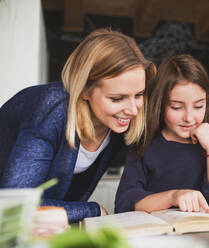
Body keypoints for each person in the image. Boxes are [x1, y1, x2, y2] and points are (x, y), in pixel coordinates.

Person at [0, 29, 156, 223]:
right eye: (117, 98)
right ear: (84, 89)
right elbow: (13, 209)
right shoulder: (50, 110)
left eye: (139, 94)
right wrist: (93, 210)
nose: (133, 110)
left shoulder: (116, 123)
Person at [114, 54, 209, 213]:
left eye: (199, 106)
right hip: (157, 234)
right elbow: (124, 203)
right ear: (160, 105)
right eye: (176, 107)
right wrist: (172, 197)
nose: (189, 118)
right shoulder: (144, 146)